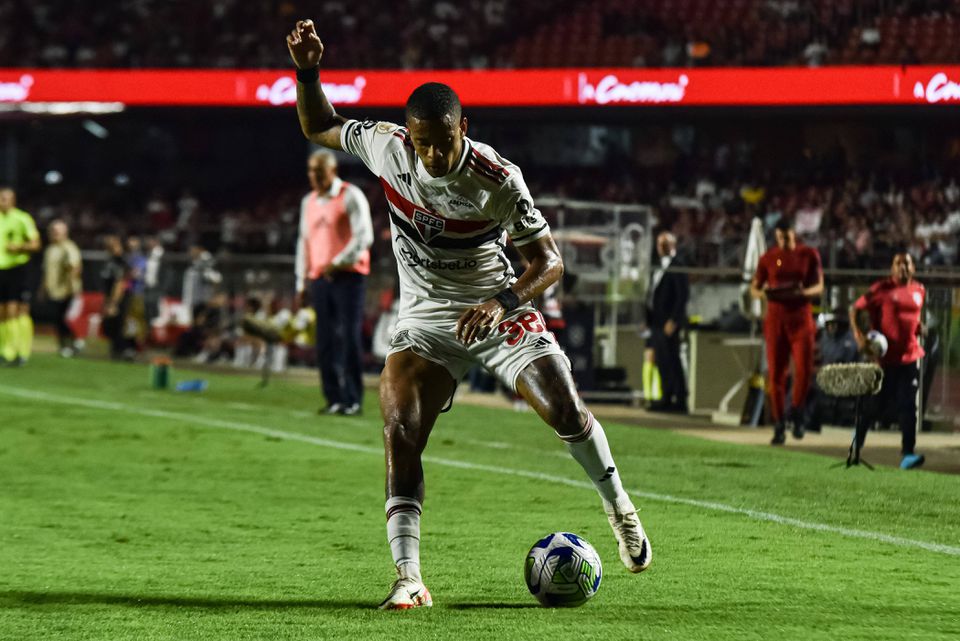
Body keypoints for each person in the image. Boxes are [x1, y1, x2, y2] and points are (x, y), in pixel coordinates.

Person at [287, 18, 652, 610]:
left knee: (563, 409)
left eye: (444, 140)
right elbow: (320, 124)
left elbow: (549, 262)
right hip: (427, 320)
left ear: (465, 129)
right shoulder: (386, 146)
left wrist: (499, 303)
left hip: (496, 306)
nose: (433, 153)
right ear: (408, 134)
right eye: (422, 141)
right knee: (400, 432)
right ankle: (409, 579)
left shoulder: (498, 180)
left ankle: (620, 508)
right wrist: (307, 72)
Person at [295, 150, 374, 416]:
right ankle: (333, 398)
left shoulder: (350, 195)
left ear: (332, 170)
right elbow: (303, 244)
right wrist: (301, 283)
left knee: (350, 337)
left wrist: (338, 261)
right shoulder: (308, 202)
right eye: (310, 170)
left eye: (318, 170)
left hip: (348, 277)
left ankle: (353, 399)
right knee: (325, 340)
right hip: (319, 279)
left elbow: (364, 236)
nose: (313, 176)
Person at [849, 252, 926, 470]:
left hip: (910, 356)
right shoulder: (881, 289)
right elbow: (855, 309)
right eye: (898, 264)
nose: (902, 267)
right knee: (876, 405)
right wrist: (860, 337)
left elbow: (912, 318)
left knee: (908, 405)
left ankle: (908, 453)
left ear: (913, 268)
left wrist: (919, 328)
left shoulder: (919, 290)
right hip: (885, 359)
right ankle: (857, 442)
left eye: (906, 264)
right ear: (892, 269)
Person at [750, 217, 823, 445]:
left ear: (794, 234)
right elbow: (754, 287)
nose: (783, 240)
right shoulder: (768, 258)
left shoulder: (808, 254)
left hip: (800, 319)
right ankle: (779, 422)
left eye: (787, 236)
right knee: (776, 373)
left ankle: (798, 411)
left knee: (803, 369)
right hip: (776, 320)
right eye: (779, 237)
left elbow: (819, 285)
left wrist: (803, 293)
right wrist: (766, 293)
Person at [645, 230, 689, 413]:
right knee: (662, 360)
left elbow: (682, 295)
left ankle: (679, 399)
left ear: (672, 246)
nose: (660, 248)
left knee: (672, 359)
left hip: (668, 323)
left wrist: (674, 320)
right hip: (656, 322)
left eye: (664, 244)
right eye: (659, 244)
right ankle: (666, 396)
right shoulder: (657, 266)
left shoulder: (678, 266)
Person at [0, 187, 41, 366]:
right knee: (2, 312)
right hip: (1, 270)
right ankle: (5, 351)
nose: (2, 201)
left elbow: (35, 244)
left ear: (13, 200)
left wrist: (19, 247)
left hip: (17, 268)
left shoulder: (22, 218)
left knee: (16, 310)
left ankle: (20, 351)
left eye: (5, 198)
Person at [42, 220, 83, 357]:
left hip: (66, 291)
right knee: (57, 319)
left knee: (63, 319)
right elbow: (47, 271)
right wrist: (43, 288)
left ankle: (73, 342)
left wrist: (70, 287)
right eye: (52, 231)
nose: (53, 234)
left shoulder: (68, 247)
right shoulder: (50, 249)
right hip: (54, 291)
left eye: (56, 231)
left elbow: (75, 267)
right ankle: (67, 344)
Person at [100, 235, 134, 360]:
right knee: (110, 325)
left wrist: (113, 303)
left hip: (119, 298)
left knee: (118, 324)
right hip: (110, 297)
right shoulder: (110, 259)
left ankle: (125, 351)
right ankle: (117, 351)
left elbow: (120, 283)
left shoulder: (121, 260)